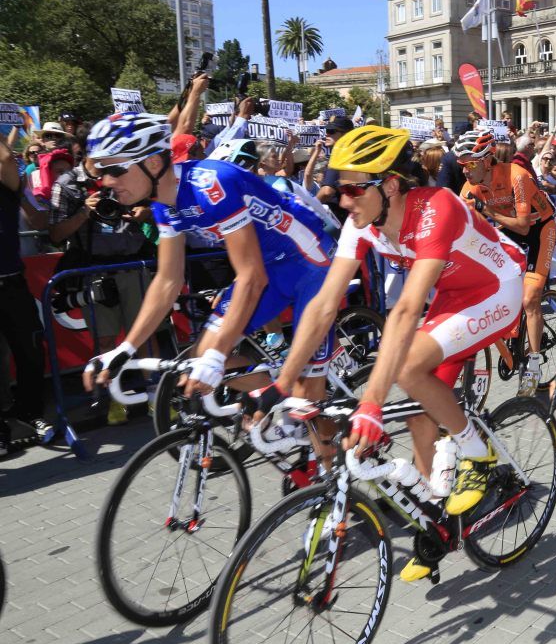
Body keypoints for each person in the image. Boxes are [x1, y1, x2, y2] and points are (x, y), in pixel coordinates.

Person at [274, 127, 522, 581]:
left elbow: (407, 309)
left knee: (408, 367)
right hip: (451, 296)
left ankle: (476, 451)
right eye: (340, 188)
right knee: (417, 413)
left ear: (389, 183)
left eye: (352, 189)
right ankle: (438, 520)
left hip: (497, 288)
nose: (342, 201)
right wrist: (281, 384)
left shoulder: (437, 207)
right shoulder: (360, 224)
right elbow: (325, 305)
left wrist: (370, 404)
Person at [82, 113, 336, 435]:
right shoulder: (163, 207)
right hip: (271, 265)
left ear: (155, 164)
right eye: (103, 172)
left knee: (307, 393)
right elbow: (168, 280)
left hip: (309, 260)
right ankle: (268, 395)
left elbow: (251, 278)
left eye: (116, 170)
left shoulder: (211, 184)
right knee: (199, 356)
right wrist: (126, 349)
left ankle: (328, 473)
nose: (106, 182)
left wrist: (218, 357)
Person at [48, 147, 158, 425]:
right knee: (105, 340)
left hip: (134, 266)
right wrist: (84, 212)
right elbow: (56, 235)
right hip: (94, 271)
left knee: (145, 335)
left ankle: (158, 398)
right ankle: (110, 402)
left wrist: (146, 212)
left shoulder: (130, 172)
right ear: (87, 151)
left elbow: (160, 205)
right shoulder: (68, 184)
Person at [456, 129, 556, 396]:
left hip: (539, 230)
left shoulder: (517, 175)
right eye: (461, 165)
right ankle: (510, 332)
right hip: (507, 231)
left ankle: (533, 365)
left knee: (530, 299)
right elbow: (463, 230)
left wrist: (486, 211)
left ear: (488, 160)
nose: (465, 171)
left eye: (471, 164)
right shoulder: (469, 188)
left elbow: (524, 227)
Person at [0, 133, 53, 454]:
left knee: (31, 351)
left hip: (12, 283)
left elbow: (6, 160)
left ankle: (31, 415)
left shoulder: (8, 187)